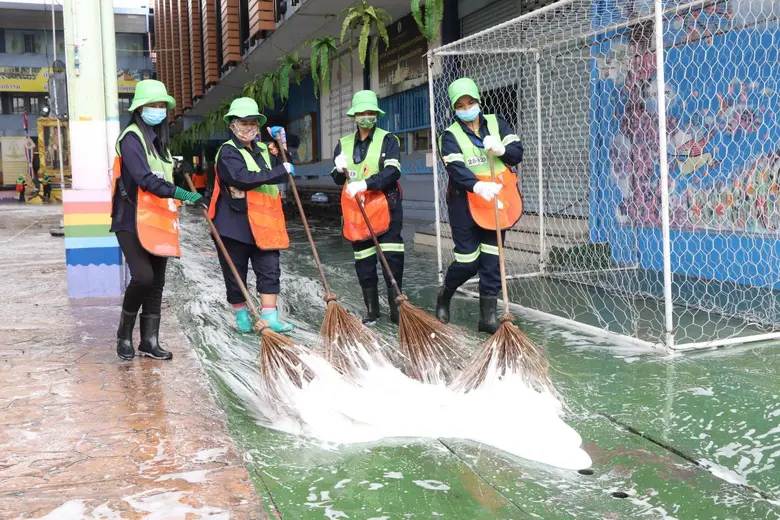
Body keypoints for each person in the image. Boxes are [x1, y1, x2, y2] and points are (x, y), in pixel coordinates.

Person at [110, 79, 206, 361]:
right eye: (153, 104)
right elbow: (144, 178)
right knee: (143, 277)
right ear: (140, 108)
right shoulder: (131, 138)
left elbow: (160, 173)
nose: (158, 109)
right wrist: (187, 195)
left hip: (158, 220)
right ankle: (124, 336)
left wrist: (177, 165)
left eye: (162, 104)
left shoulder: (157, 142)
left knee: (157, 283)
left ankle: (149, 341)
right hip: (129, 219)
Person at [435, 78, 524, 333]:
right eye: (460, 104)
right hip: (465, 202)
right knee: (467, 262)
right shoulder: (449, 135)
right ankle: (445, 294)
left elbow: (517, 153)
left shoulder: (497, 123)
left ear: (478, 101)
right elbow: (455, 168)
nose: (466, 108)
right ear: (454, 107)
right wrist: (478, 186)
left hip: (497, 199)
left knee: (491, 261)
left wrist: (500, 150)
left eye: (470, 102)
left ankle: (487, 319)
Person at [210, 97, 295, 333]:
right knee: (235, 271)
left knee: (269, 269)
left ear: (258, 125)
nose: (248, 127)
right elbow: (241, 178)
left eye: (252, 122)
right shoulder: (227, 152)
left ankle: (271, 316)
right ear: (232, 125)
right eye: (243, 122)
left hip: (265, 223)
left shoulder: (264, 149)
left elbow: (285, 168)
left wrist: (283, 147)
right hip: (234, 224)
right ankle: (241, 315)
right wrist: (280, 170)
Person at [331, 90, 404, 324]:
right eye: (361, 112)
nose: (366, 116)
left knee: (391, 259)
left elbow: (393, 171)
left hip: (386, 208)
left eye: (370, 112)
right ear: (354, 115)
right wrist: (339, 169)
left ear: (376, 115)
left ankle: (398, 310)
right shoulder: (343, 144)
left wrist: (365, 183)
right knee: (364, 263)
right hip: (357, 213)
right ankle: (372, 311)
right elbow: (336, 179)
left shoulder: (388, 139)